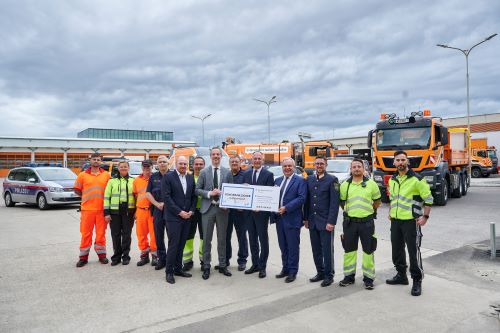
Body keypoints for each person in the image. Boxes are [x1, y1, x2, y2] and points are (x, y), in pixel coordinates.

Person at [386, 151, 432, 296]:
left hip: (412, 221)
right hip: (395, 221)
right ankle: (401, 276)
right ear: (394, 163)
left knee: (413, 252)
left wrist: (425, 216)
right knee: (397, 250)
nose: (400, 162)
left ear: (408, 162)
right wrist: (391, 212)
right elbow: (394, 198)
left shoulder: (417, 179)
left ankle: (417, 281)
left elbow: (428, 199)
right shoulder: (392, 179)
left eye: (403, 160)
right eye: (397, 160)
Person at [338, 158, 381, 289]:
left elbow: (377, 201)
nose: (356, 169)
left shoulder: (372, 184)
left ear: (364, 169)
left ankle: (368, 279)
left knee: (368, 251)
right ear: (351, 169)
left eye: (359, 166)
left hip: (367, 223)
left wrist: (369, 211)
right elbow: (342, 202)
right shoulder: (345, 185)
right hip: (350, 223)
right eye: (354, 167)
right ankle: (349, 276)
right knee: (349, 251)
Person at [195, 147, 233, 280]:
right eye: (214, 154)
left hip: (222, 210)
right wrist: (209, 193)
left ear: (221, 156)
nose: (216, 156)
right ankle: (206, 266)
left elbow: (231, 191)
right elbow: (197, 190)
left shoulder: (227, 172)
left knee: (222, 238)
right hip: (208, 209)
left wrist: (225, 194)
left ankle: (222, 265)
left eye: (218, 154)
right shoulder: (204, 172)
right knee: (207, 240)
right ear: (210, 156)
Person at [304, 157, 340, 287]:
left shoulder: (332, 180)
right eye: (317, 163)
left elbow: (334, 203)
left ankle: (329, 275)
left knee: (327, 250)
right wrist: (306, 218)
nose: (319, 165)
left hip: (326, 222)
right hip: (312, 221)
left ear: (326, 165)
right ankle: (320, 272)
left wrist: (331, 221)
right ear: (314, 165)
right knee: (316, 249)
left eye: (321, 164)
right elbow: (307, 201)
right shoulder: (309, 179)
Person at [161, 156, 197, 284]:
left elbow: (193, 196)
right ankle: (169, 272)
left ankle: (178, 269)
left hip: (187, 217)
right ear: (176, 164)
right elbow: (166, 198)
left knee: (181, 244)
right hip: (173, 218)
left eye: (185, 164)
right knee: (173, 245)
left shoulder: (189, 177)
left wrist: (191, 210)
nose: (183, 166)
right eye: (181, 163)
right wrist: (179, 212)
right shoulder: (168, 177)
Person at [272, 158, 307, 283]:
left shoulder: (300, 181)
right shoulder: (277, 180)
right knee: (283, 246)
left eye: (289, 166)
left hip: (292, 218)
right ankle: (285, 268)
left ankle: (292, 271)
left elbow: (301, 198)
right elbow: (271, 196)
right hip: (279, 219)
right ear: (282, 167)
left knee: (292, 247)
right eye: (285, 166)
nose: (287, 168)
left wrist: (286, 208)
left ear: (294, 167)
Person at [74, 153, 111, 267]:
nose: (96, 161)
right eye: (94, 159)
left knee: (101, 234)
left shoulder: (106, 175)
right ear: (90, 161)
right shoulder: (82, 175)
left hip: (101, 210)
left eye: (98, 159)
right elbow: (77, 190)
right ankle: (83, 258)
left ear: (101, 161)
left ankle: (102, 255)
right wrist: (86, 198)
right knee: (86, 234)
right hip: (87, 210)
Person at [243, 151, 275, 278]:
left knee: (263, 239)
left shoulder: (268, 174)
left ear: (263, 160)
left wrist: (260, 207)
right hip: (249, 214)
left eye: (259, 159)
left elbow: (269, 194)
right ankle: (255, 264)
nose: (256, 160)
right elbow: (244, 193)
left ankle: (262, 266)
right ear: (251, 160)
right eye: (255, 158)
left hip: (261, 214)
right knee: (252, 240)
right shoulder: (246, 174)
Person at [104, 161, 136, 266]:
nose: (123, 168)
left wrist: (136, 211)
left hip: (128, 211)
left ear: (128, 168)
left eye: (125, 167)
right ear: (118, 168)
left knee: (127, 235)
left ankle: (126, 256)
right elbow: (106, 197)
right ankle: (116, 257)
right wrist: (107, 213)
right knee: (115, 235)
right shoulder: (111, 181)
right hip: (114, 212)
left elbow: (137, 197)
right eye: (121, 167)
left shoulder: (133, 181)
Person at [220, 155, 248, 271]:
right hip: (227, 212)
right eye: (232, 162)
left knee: (241, 237)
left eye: (236, 162)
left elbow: (249, 192)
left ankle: (242, 260)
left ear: (240, 162)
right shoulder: (225, 175)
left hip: (240, 213)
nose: (234, 164)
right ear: (229, 163)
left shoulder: (245, 175)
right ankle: (225, 260)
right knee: (226, 237)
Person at [145, 155, 169, 270]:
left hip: (171, 211)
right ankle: (161, 259)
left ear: (168, 163)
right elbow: (148, 193)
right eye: (160, 162)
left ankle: (171, 259)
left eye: (164, 161)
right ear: (157, 164)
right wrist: (157, 204)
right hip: (158, 210)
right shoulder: (153, 177)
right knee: (159, 236)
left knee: (172, 236)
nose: (162, 163)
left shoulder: (174, 175)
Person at [182, 156, 205, 271]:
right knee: (188, 236)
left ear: (204, 165)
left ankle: (203, 260)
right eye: (196, 164)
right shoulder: (187, 178)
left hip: (204, 212)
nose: (198, 166)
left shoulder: (207, 177)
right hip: (190, 212)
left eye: (201, 164)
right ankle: (187, 261)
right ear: (193, 165)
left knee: (204, 237)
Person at [133, 160, 157, 267]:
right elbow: (134, 196)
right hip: (141, 211)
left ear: (152, 168)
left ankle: (155, 256)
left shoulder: (156, 179)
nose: (147, 170)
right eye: (145, 168)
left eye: (149, 168)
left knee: (154, 235)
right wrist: (135, 211)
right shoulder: (136, 180)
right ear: (142, 168)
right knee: (141, 235)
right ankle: (144, 256)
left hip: (152, 211)